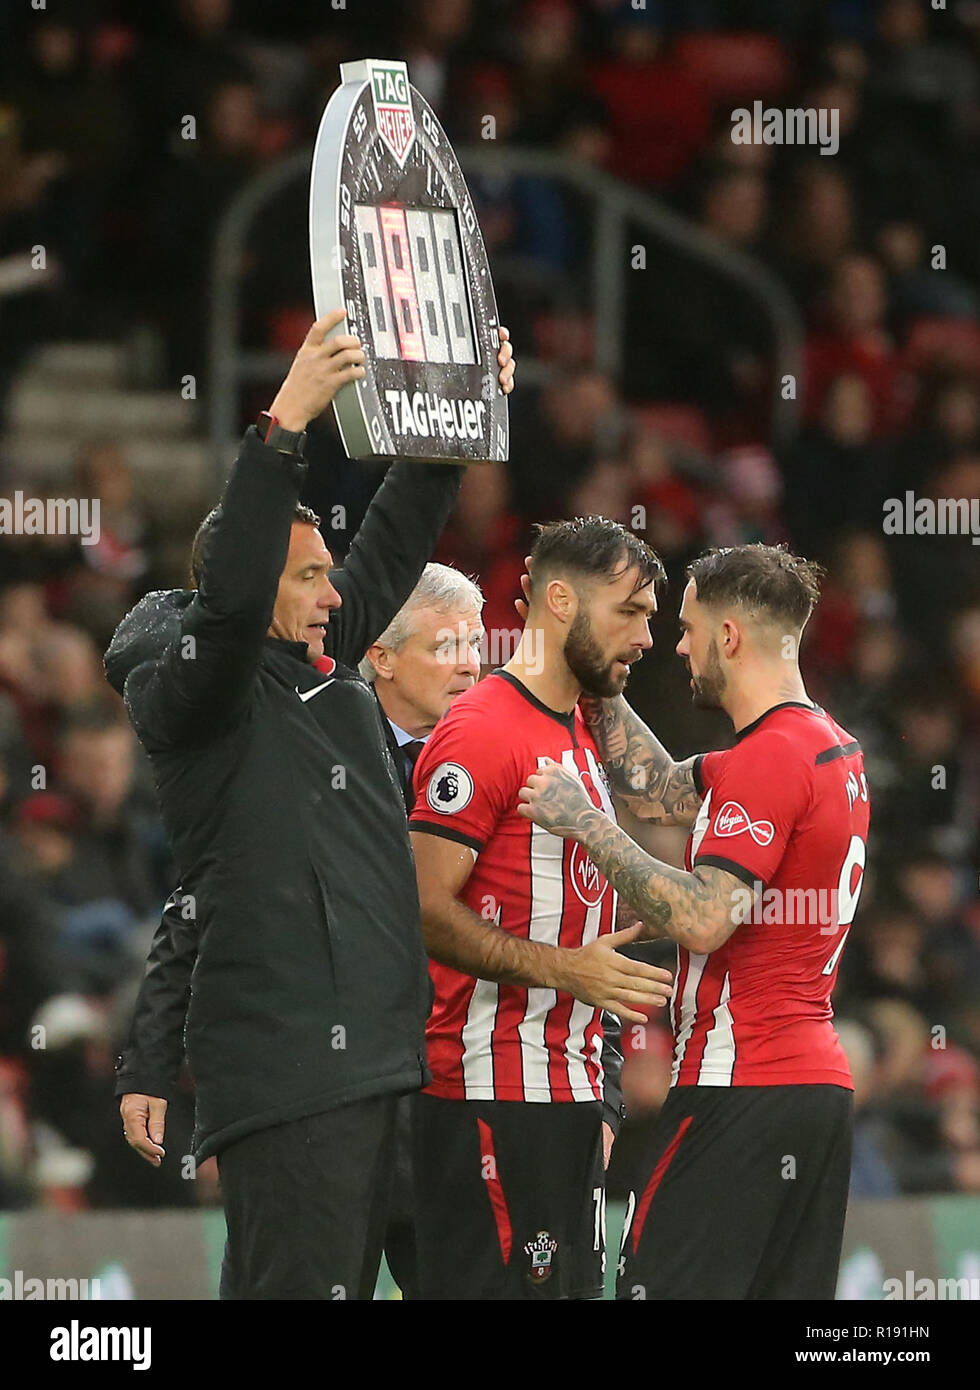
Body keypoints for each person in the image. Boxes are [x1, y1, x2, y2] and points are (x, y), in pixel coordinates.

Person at [107, 311, 516, 1300]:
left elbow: (395, 533)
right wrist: (284, 425)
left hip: (390, 1064)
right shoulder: (195, 696)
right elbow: (236, 597)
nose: (334, 595)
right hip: (293, 1074)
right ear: (241, 591)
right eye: (304, 578)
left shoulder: (329, 668)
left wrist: (455, 415)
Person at [518, 542, 869, 1300]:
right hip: (815, 1091)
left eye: (687, 629)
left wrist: (585, 824)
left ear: (730, 637)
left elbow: (706, 919)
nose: (676, 646)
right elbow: (658, 789)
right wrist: (595, 674)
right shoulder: (828, 748)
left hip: (740, 1081)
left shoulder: (766, 760)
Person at [408, 517, 675, 1300]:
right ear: (560, 600)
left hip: (569, 1094)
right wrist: (568, 970)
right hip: (490, 1095)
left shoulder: (579, 724)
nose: (647, 635)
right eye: (630, 611)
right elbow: (421, 907)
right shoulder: (482, 730)